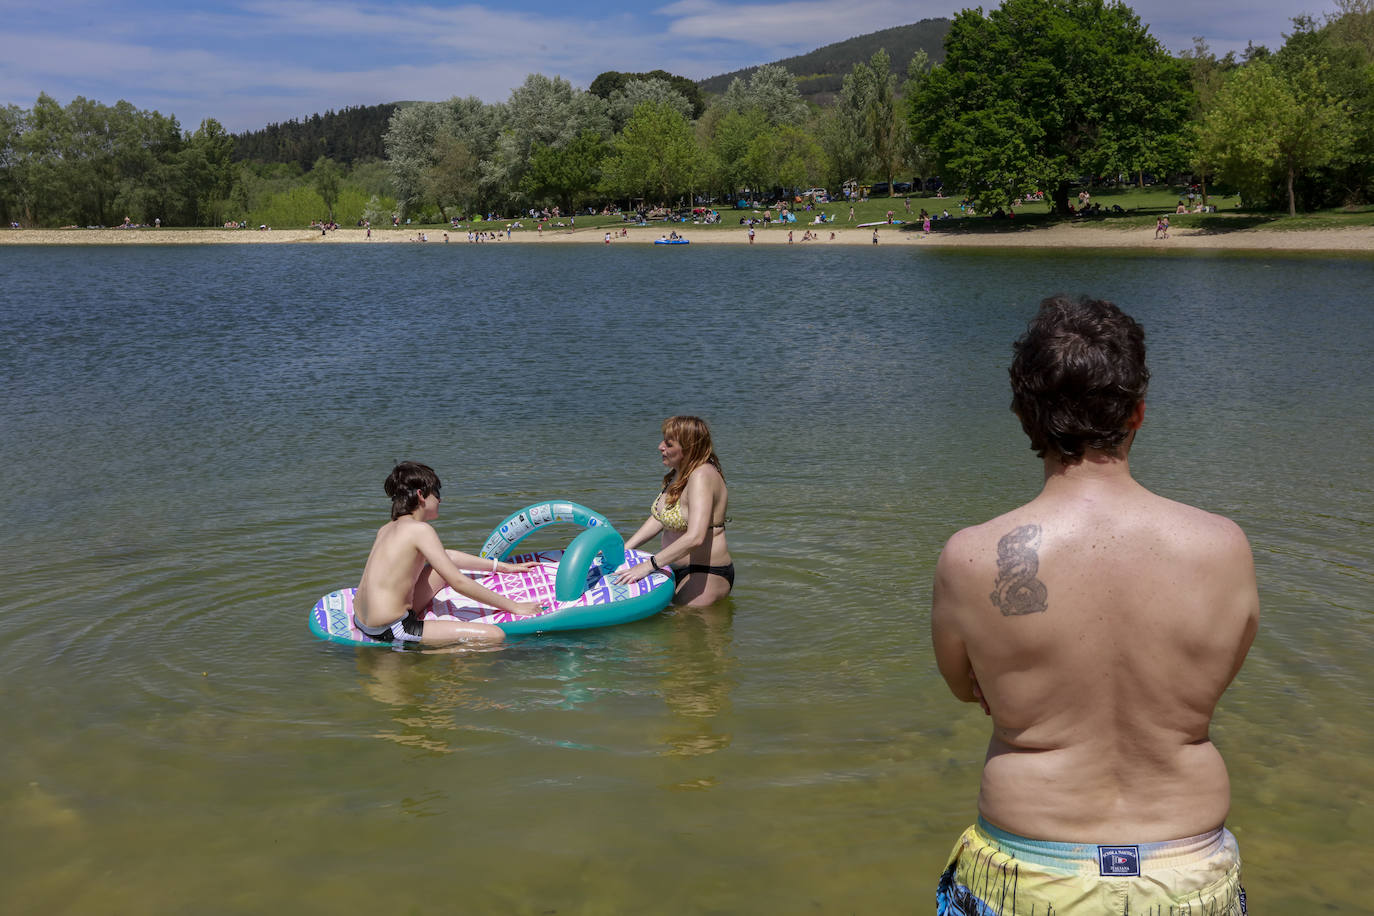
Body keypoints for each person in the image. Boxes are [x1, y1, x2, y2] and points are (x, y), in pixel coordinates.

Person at [930, 296, 1258, 915]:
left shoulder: (970, 557)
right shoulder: (1224, 548)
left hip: (1029, 870)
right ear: (1137, 412)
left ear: (1026, 416)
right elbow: (1220, 671)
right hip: (1186, 865)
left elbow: (966, 687)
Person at [353, 462, 545, 646]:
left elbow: (448, 558)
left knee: (440, 568)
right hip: (391, 628)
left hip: (362, 620)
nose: (440, 499)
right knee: (494, 636)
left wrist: (502, 567)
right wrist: (514, 607)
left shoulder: (387, 528)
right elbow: (458, 582)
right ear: (421, 495)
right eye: (436, 492)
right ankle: (443, 665)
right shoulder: (420, 530)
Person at [615, 416, 733, 606]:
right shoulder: (679, 473)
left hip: (706, 572)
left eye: (669, 444)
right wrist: (625, 550)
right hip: (672, 567)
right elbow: (660, 518)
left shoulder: (702, 475)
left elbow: (695, 537)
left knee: (681, 627)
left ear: (689, 448)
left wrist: (647, 566)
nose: (660, 447)